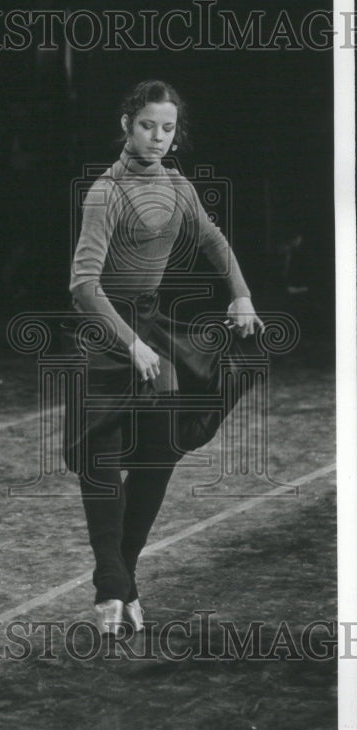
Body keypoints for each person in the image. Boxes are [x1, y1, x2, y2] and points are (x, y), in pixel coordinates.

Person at [66, 79, 263, 637]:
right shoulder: (106, 192)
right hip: (108, 333)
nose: (157, 137)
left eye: (168, 128)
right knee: (100, 454)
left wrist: (242, 295)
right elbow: (83, 286)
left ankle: (123, 578)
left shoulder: (176, 186)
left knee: (159, 450)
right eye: (147, 125)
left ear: (177, 135)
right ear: (126, 125)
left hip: (150, 326)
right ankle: (112, 584)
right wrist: (130, 344)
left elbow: (213, 239)